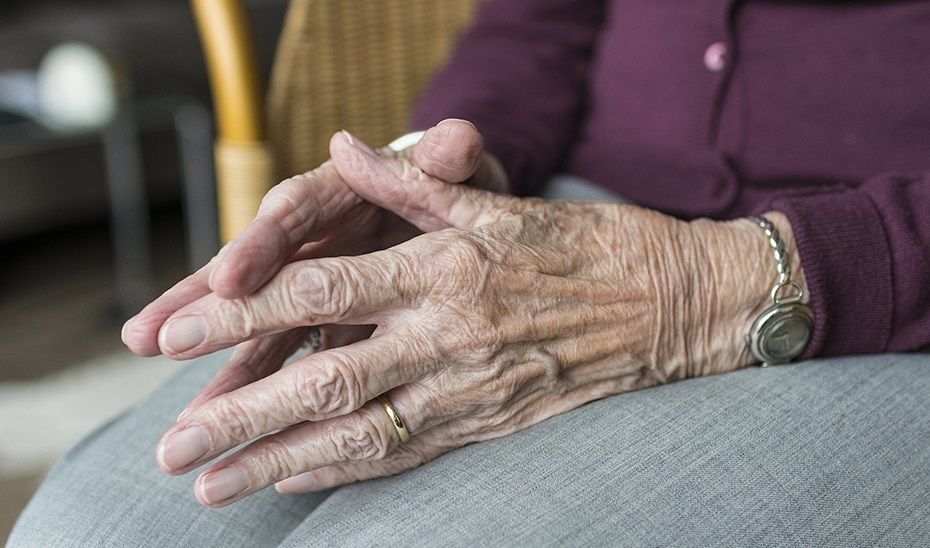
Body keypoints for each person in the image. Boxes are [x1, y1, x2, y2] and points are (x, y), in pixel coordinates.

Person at [10, 1, 930, 545]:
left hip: (866, 292)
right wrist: (444, 172)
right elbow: (536, 25)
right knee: (90, 528)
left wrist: (704, 286)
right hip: (556, 208)